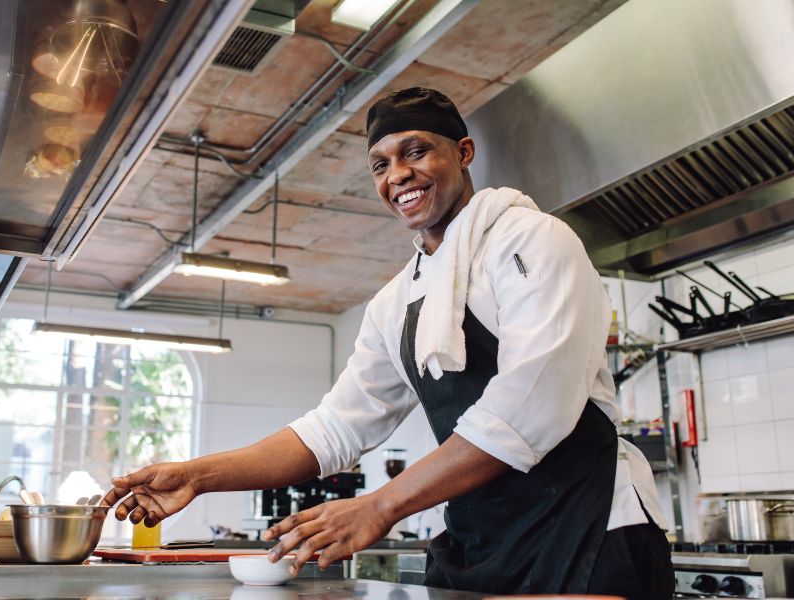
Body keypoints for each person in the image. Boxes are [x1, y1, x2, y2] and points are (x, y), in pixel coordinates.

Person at [103, 87, 674, 599]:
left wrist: (380, 505)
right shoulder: (396, 301)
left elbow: (530, 406)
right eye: (381, 164)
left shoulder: (531, 240)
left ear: (464, 153)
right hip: (484, 536)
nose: (397, 174)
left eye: (416, 152)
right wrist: (198, 477)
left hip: (588, 524)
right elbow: (335, 429)